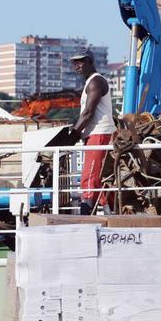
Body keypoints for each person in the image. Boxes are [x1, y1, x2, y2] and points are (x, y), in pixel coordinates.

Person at [68, 48, 116, 215]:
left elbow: (88, 112)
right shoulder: (91, 82)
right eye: (75, 62)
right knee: (98, 179)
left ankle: (85, 216)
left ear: (90, 61)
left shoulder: (95, 81)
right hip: (95, 134)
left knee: (89, 178)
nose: (77, 65)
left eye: (81, 61)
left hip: (99, 133)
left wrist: (73, 135)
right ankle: (111, 214)